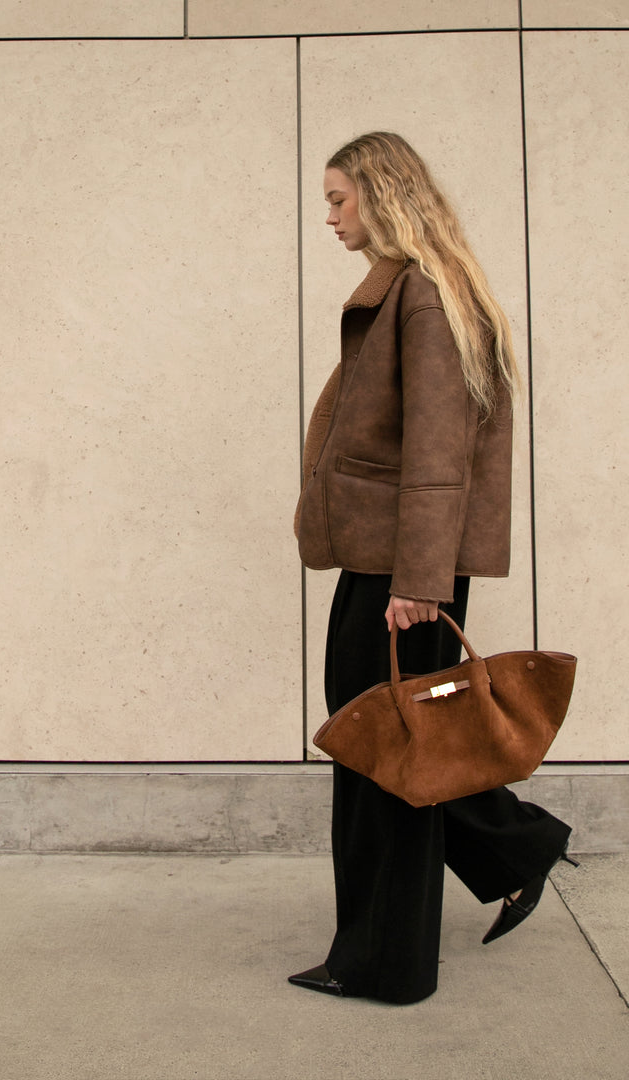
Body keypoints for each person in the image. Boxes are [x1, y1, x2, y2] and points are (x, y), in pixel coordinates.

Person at [290, 131, 576, 1005]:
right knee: (387, 738)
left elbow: (440, 454)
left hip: (402, 571)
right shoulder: (411, 290)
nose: (330, 215)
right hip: (383, 560)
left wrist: (420, 581)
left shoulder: (422, 297)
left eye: (341, 198)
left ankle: (384, 962)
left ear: (384, 194)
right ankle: (514, 848)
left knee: (385, 752)